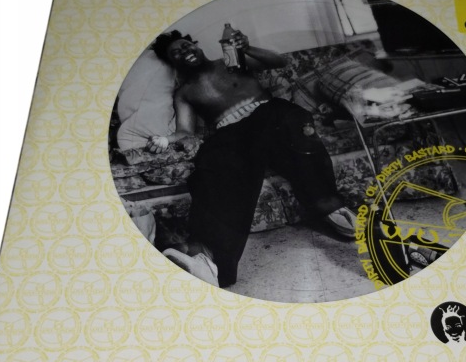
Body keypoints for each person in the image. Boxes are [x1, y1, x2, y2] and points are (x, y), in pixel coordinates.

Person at [150, 29, 356, 288]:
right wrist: (165, 139)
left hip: (269, 118)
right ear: (172, 62)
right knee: (212, 166)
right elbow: (185, 131)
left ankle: (332, 208)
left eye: (185, 46)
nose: (184, 52)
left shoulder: (231, 60)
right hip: (231, 134)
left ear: (196, 46)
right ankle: (207, 259)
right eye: (176, 53)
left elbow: (279, 62)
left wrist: (246, 48)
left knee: (288, 116)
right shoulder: (185, 92)